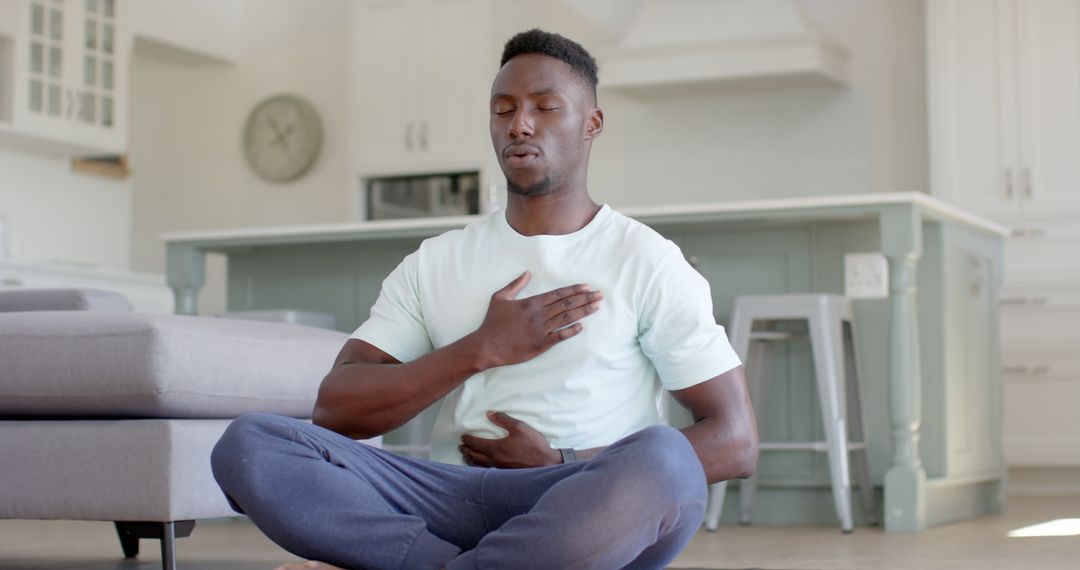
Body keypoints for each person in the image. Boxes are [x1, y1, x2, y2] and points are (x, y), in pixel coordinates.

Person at [211, 29, 758, 570]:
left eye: (545, 107)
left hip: (585, 502)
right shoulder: (437, 261)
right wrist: (480, 348)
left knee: (662, 460)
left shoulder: (648, 259)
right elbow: (337, 408)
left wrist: (566, 461)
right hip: (449, 494)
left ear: (591, 124)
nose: (520, 124)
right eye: (503, 110)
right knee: (250, 444)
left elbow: (735, 441)